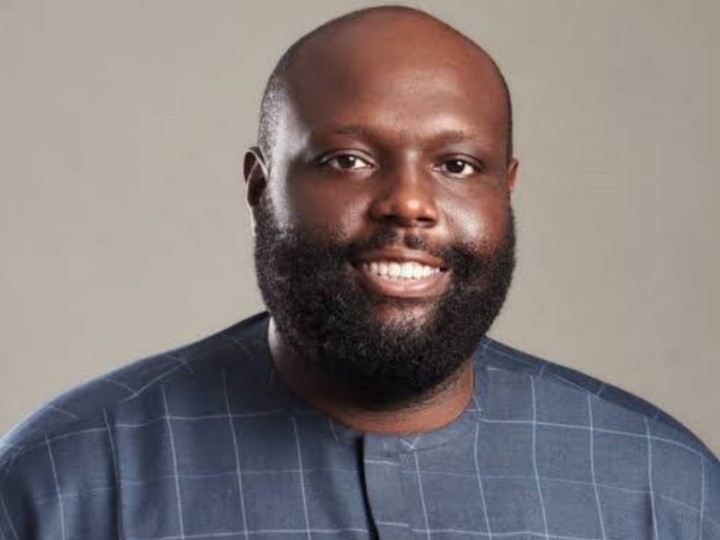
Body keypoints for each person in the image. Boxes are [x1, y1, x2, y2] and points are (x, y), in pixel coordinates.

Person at [1, 6, 717, 540]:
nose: (409, 203)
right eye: (348, 160)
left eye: (457, 165)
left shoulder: (662, 486)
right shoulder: (64, 484)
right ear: (260, 187)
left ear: (506, 191)